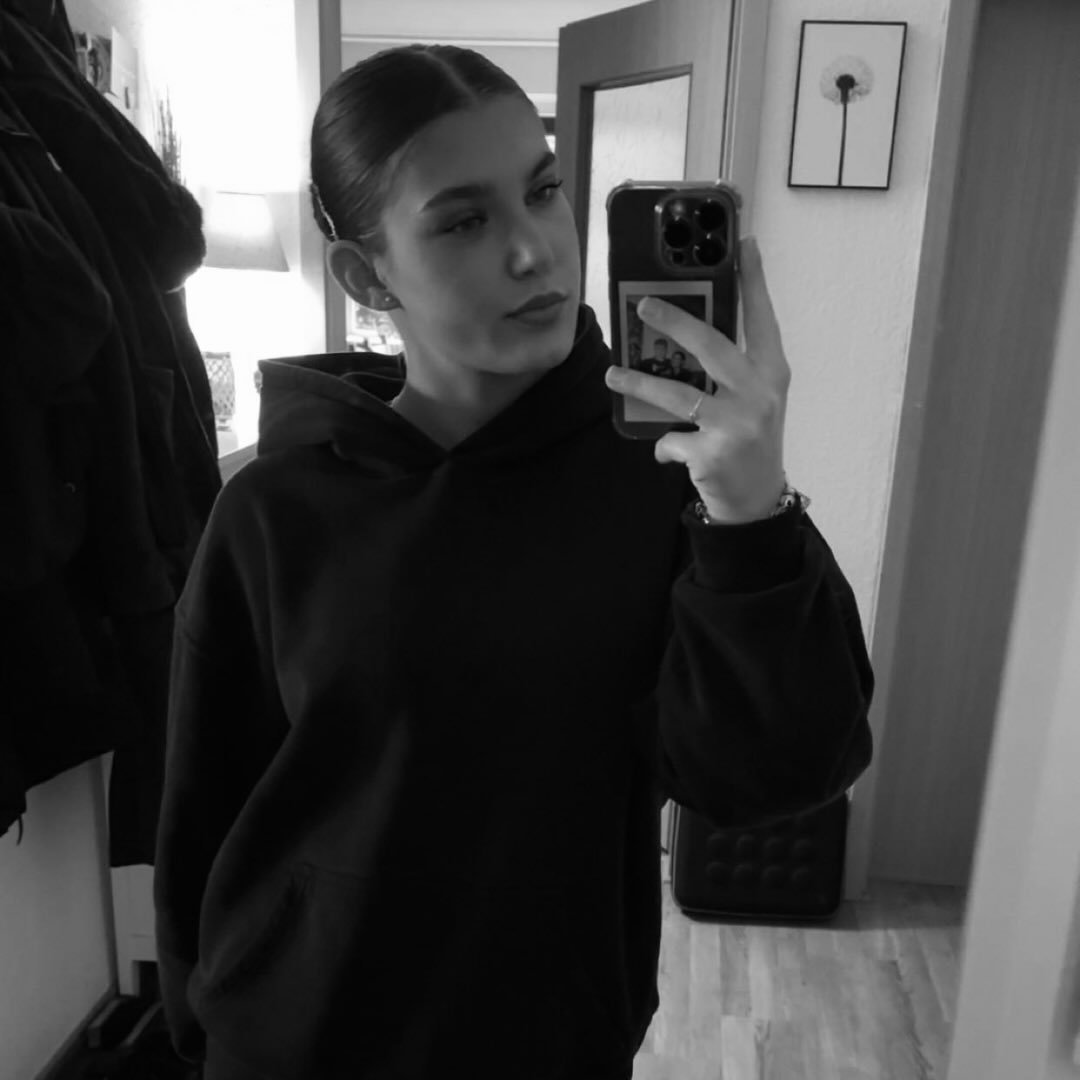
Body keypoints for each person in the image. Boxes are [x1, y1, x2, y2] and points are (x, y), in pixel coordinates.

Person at [154, 44, 874, 1080]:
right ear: (365, 274)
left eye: (543, 191)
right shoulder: (275, 513)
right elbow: (202, 813)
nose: (535, 251)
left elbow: (778, 776)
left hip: (549, 1043)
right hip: (289, 1047)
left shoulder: (669, 482)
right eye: (463, 221)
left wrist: (751, 512)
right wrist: (202, 1035)